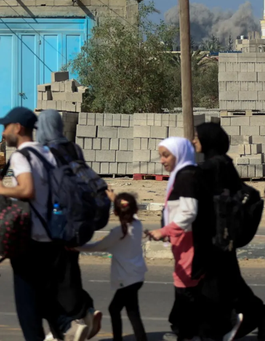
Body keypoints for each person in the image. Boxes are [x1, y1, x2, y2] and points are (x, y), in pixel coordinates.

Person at [0, 107, 87, 341]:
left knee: (28, 312)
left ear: (18, 128)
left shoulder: (21, 156)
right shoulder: (48, 153)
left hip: (30, 241)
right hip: (53, 238)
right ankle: (67, 323)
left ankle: (66, 324)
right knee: (45, 298)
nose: (4, 131)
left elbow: (27, 189)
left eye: (6, 126)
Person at [193, 122, 265, 341]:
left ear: (208, 140)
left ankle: (216, 329)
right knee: (230, 281)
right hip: (224, 234)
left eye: (197, 137)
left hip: (217, 235)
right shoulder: (224, 163)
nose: (194, 141)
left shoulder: (212, 167)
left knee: (217, 284)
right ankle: (260, 313)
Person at [36, 109, 102, 341]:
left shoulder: (44, 152)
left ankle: (67, 325)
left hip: (54, 224)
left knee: (50, 280)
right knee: (70, 271)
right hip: (77, 223)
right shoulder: (74, 148)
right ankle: (85, 313)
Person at [147, 137, 213, 341]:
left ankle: (186, 332)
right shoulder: (186, 173)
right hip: (187, 242)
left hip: (189, 243)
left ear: (179, 154)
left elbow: (188, 212)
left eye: (166, 155)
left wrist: (164, 231)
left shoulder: (186, 176)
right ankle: (194, 330)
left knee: (186, 288)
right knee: (193, 289)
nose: (162, 161)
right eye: (160, 155)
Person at [76, 193, 148, 341]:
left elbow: (98, 246)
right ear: (135, 210)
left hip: (127, 279)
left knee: (115, 309)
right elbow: (126, 208)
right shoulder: (137, 225)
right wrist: (113, 197)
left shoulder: (118, 232)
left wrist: (77, 247)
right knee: (132, 311)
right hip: (137, 276)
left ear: (115, 212)